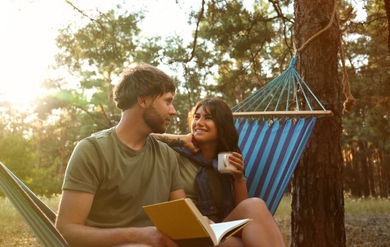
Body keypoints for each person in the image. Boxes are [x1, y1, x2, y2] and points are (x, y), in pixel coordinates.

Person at [55, 63, 186, 247]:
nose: (173, 111)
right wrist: (136, 236)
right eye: (167, 101)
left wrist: (205, 226)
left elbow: (184, 216)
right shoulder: (92, 151)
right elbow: (66, 231)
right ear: (143, 101)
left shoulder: (166, 155)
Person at [153, 98, 286, 247]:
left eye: (208, 118)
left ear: (222, 125)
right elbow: (147, 138)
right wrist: (181, 139)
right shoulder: (175, 154)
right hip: (188, 231)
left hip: (217, 228)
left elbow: (243, 216)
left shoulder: (224, 161)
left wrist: (239, 178)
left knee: (255, 206)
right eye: (196, 117)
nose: (199, 122)